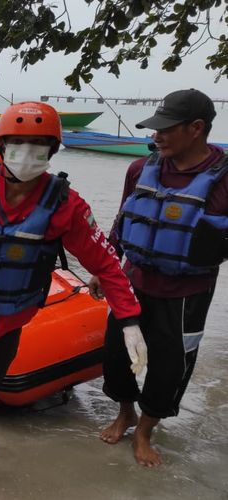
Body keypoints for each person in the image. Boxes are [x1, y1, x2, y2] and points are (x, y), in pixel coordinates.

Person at [0, 101, 145, 500]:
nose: (27, 155)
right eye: (18, 144)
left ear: (52, 152)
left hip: (11, 316)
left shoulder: (66, 207)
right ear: (2, 147)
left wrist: (129, 320)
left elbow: (105, 262)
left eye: (39, 146)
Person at [92, 89, 228, 467]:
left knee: (169, 369)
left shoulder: (224, 179)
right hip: (132, 283)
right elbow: (122, 221)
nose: (157, 136)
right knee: (116, 357)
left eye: (166, 129)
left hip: (187, 293)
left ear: (197, 128)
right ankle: (125, 413)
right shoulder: (140, 169)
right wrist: (105, 269)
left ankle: (145, 431)